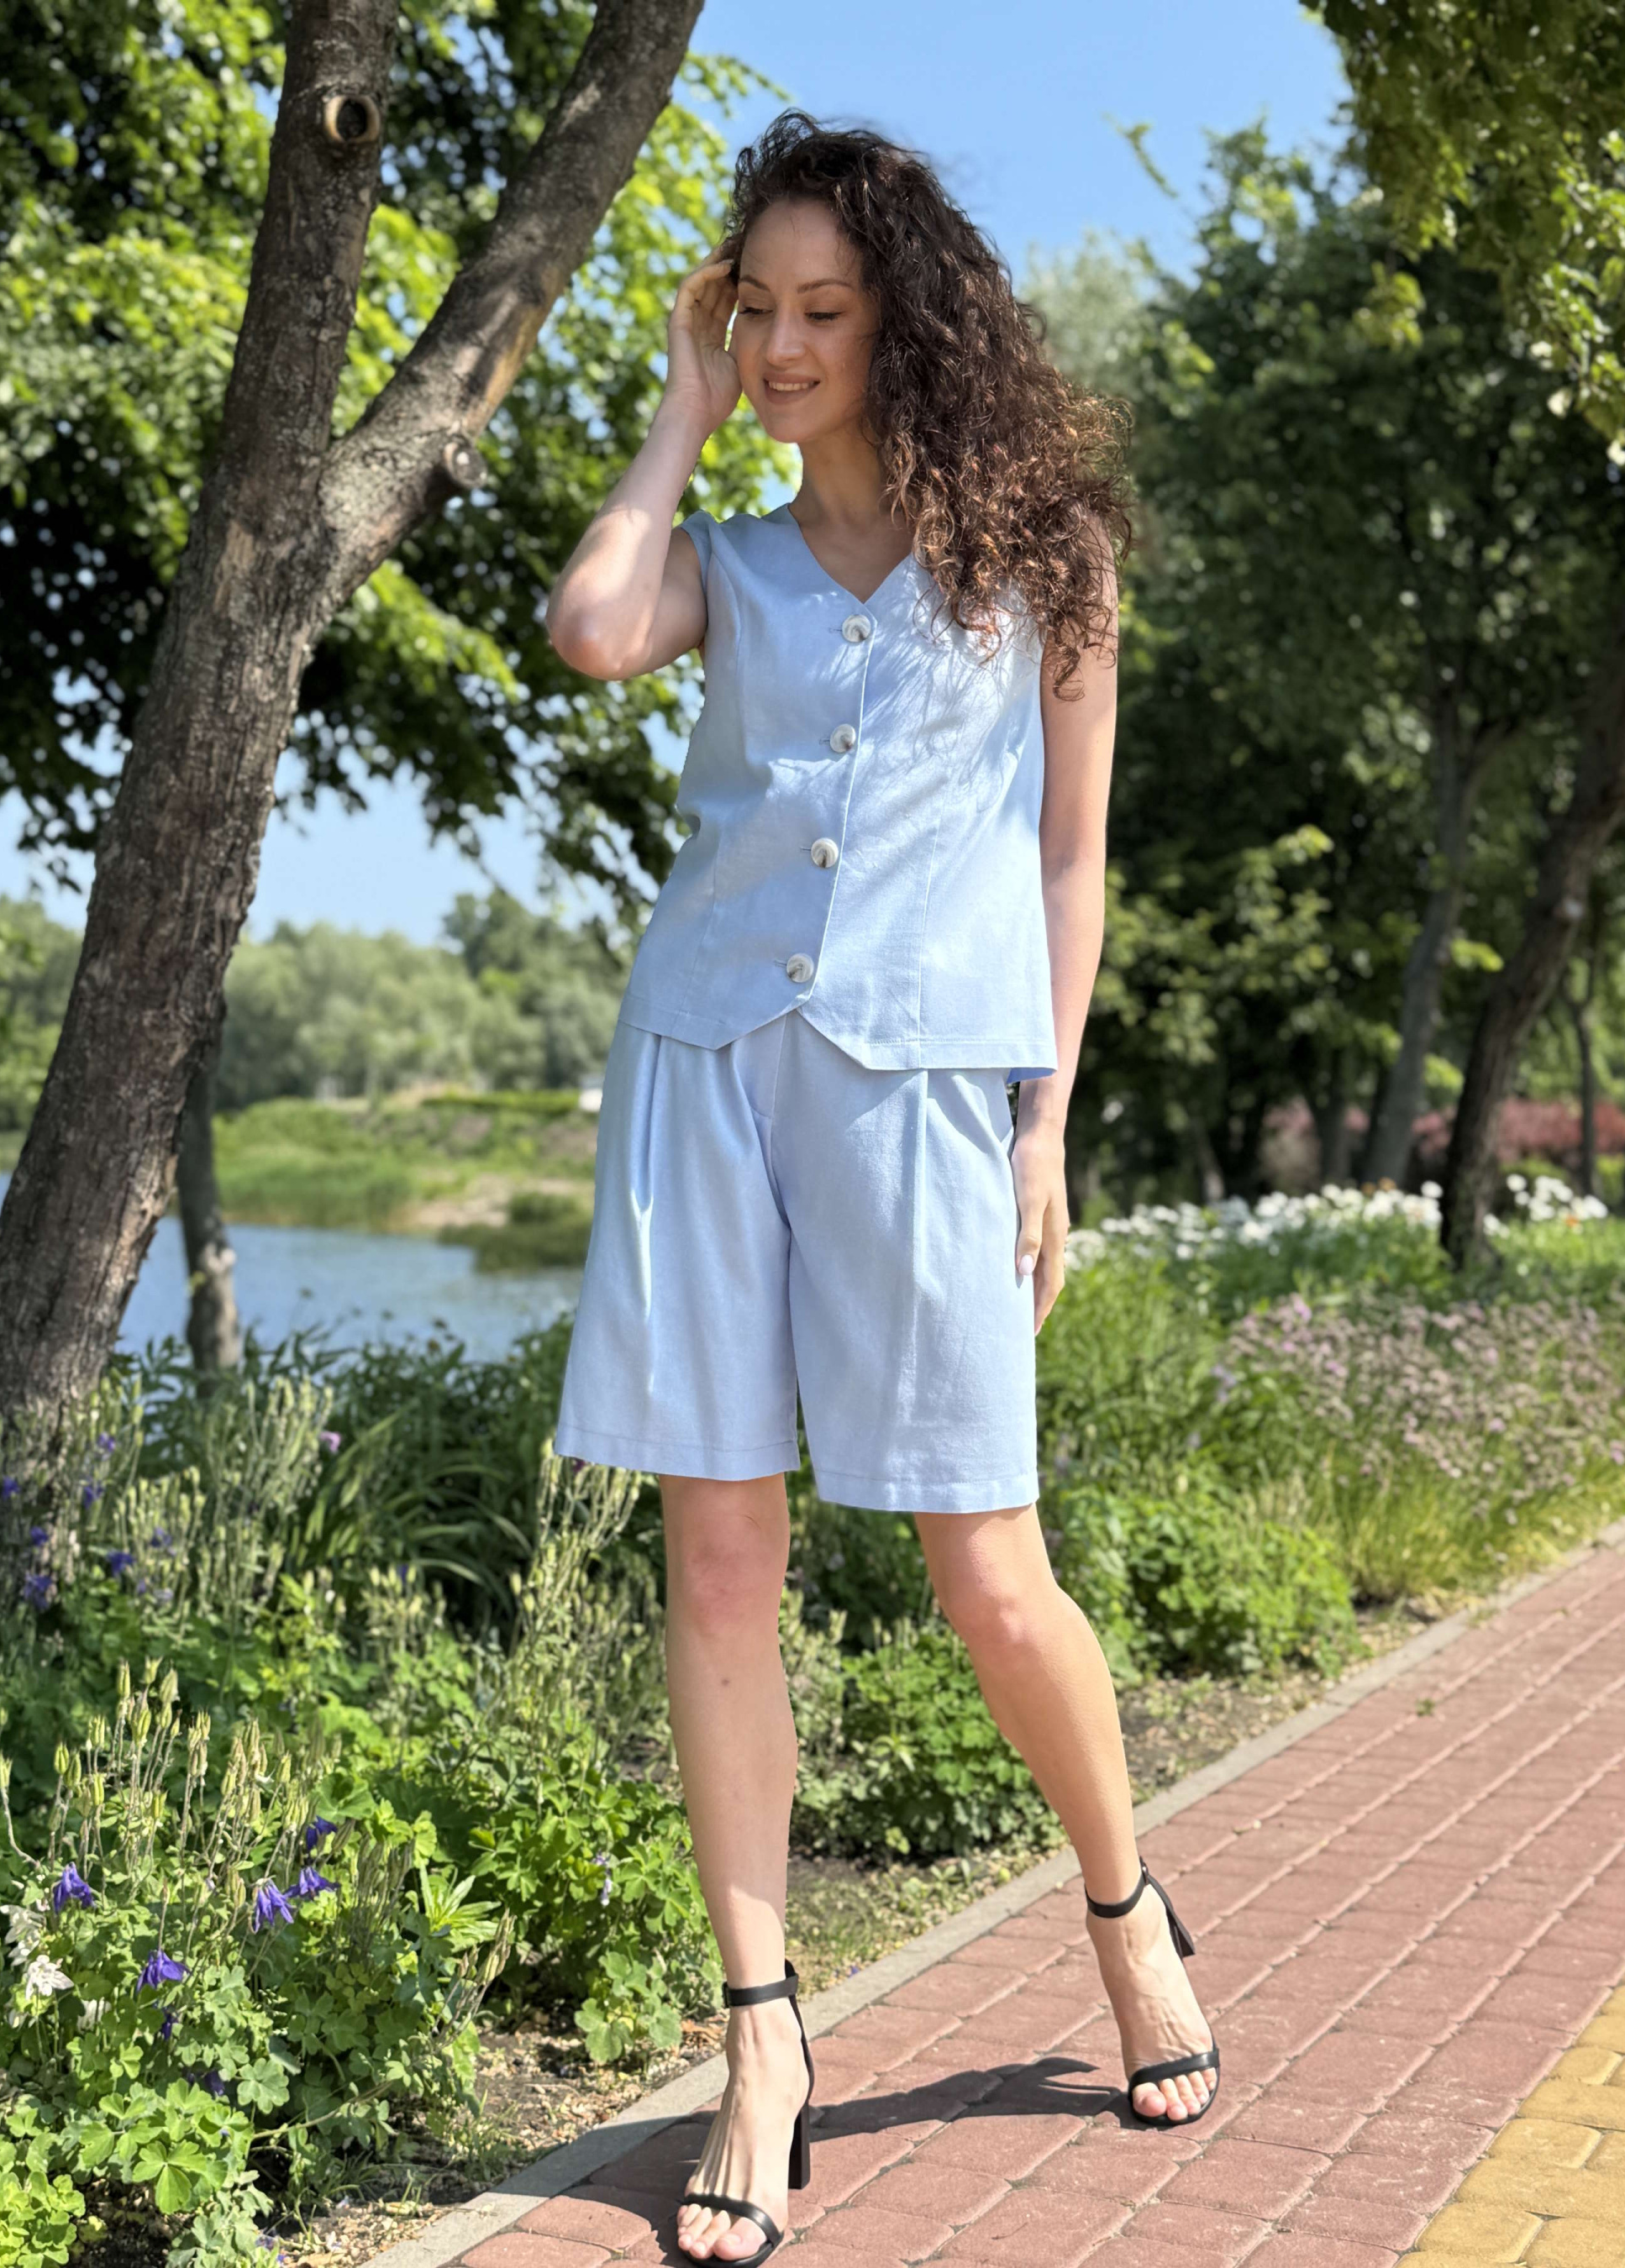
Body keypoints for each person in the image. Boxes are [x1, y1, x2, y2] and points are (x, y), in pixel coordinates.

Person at [544, 108, 1217, 2268]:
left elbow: (1068, 861)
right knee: (718, 1562)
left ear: (904, 320)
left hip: (929, 1088)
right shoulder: (725, 567)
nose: (783, 342)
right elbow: (588, 625)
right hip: (703, 1077)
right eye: (755, 307)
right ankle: (761, 2041)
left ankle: (1121, 1905)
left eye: (821, 308)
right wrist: (674, 414)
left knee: (986, 1572)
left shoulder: (1043, 564)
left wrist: (1043, 1124)